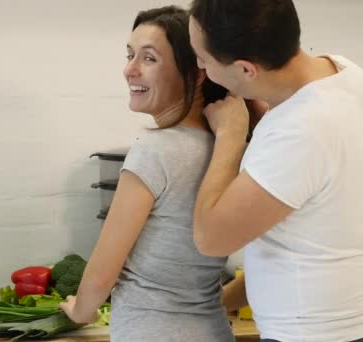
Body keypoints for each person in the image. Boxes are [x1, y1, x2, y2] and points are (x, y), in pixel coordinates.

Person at [187, 0, 363, 341]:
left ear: (245, 69)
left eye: (204, 59)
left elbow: (211, 238)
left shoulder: (300, 131)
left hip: (316, 332)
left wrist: (230, 136)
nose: (199, 65)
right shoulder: (348, 73)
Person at [59, 5, 234, 342]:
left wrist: (81, 310)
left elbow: (101, 273)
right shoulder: (225, 146)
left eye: (149, 58)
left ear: (197, 72)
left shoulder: (155, 150)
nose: (130, 70)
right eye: (130, 55)